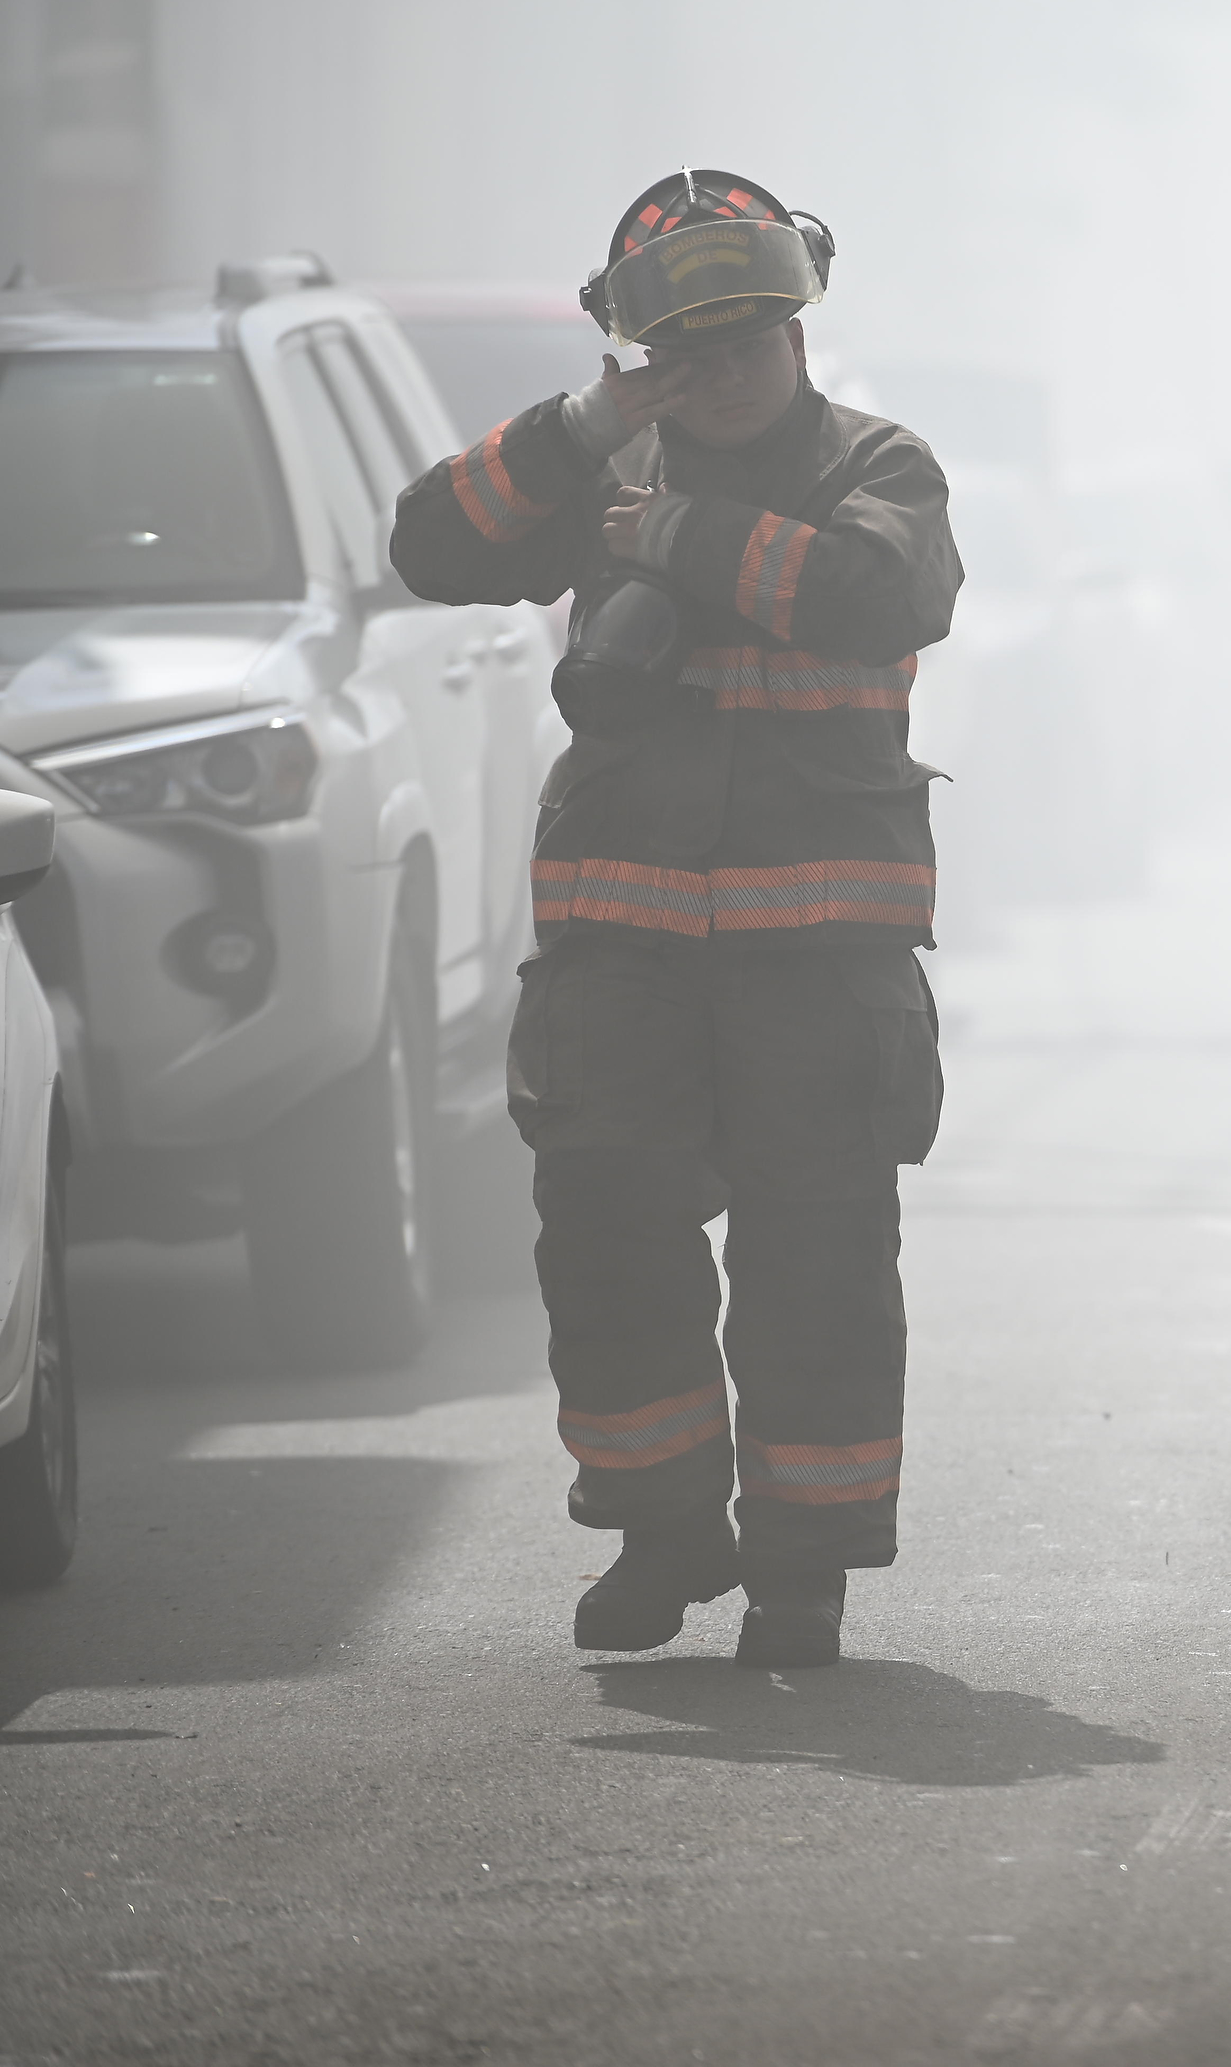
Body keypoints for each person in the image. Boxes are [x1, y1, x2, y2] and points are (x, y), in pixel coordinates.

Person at [392, 170, 962, 1664]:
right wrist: (584, 431)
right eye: (685, 354)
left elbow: (867, 596)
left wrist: (674, 533)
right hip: (623, 954)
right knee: (604, 1240)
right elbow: (432, 550)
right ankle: (663, 1532)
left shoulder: (877, 461)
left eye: (747, 344)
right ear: (642, 352)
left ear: (797, 328)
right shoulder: (604, 460)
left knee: (817, 1267)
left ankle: (800, 1576)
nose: (719, 375)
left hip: (819, 970)